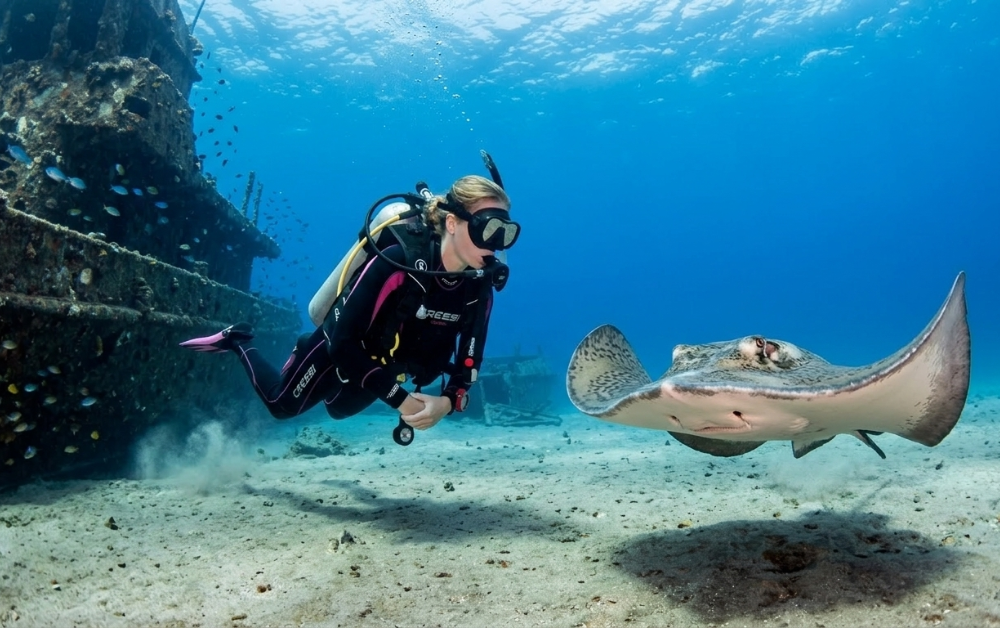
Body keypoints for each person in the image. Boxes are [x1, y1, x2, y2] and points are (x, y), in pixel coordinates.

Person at [179, 173, 519, 442]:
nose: (495, 245)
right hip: (339, 347)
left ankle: (333, 378)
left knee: (338, 410)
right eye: (486, 229)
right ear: (452, 223)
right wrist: (399, 399)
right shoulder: (400, 261)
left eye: (505, 234)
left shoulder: (479, 286)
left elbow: (469, 361)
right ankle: (239, 339)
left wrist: (446, 402)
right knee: (281, 406)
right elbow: (342, 341)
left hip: (384, 365)